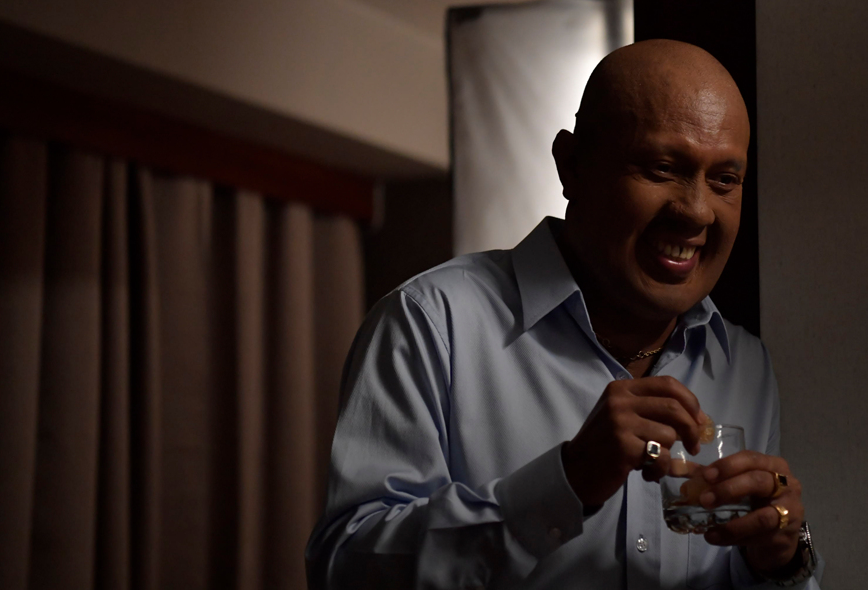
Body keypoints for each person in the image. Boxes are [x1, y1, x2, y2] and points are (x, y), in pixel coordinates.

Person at [306, 39, 821, 588]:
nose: (696, 211)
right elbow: (344, 572)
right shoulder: (432, 325)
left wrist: (782, 562)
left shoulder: (744, 365)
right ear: (571, 165)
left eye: (724, 181)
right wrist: (565, 483)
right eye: (663, 167)